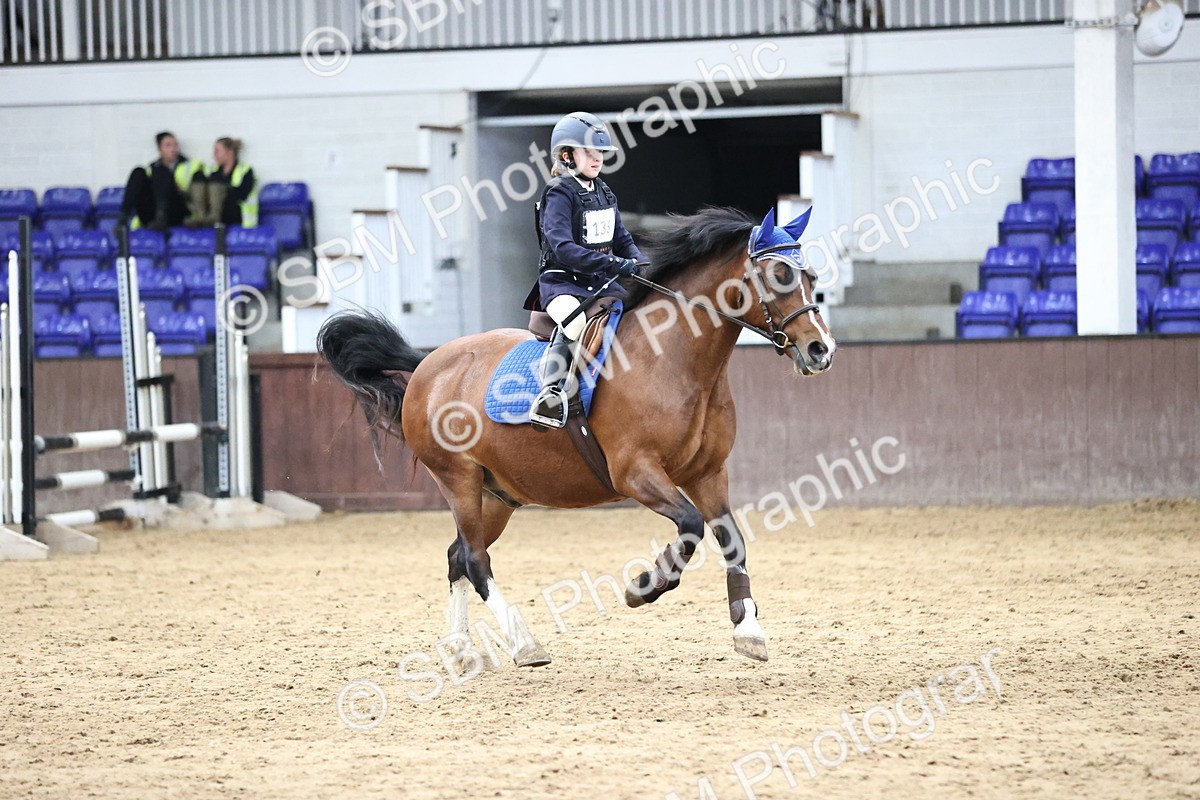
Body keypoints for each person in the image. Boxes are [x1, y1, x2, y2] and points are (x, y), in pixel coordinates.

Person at [523, 112, 645, 430]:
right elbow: (563, 248)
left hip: (600, 283)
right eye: (589, 152)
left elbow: (623, 239)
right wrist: (615, 264)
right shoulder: (558, 193)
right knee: (577, 324)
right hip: (561, 283)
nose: (597, 158)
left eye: (600, 152)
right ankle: (551, 396)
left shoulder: (604, 191)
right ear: (567, 156)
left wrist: (641, 263)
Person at [118, 131, 206, 230]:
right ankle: (123, 218)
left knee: (162, 172)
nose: (173, 149)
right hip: (153, 212)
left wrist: (182, 191)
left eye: (175, 145)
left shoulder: (190, 166)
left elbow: (200, 196)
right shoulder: (151, 169)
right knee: (138, 171)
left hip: (178, 209)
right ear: (159, 149)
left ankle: (161, 216)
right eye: (168, 145)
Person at [186, 137, 258, 228]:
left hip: (237, 217)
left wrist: (224, 188)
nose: (214, 155)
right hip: (211, 213)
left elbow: (241, 195)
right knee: (198, 176)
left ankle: (213, 218)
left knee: (217, 183)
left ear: (230, 152)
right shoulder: (212, 170)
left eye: (217, 151)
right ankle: (202, 217)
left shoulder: (245, 170)